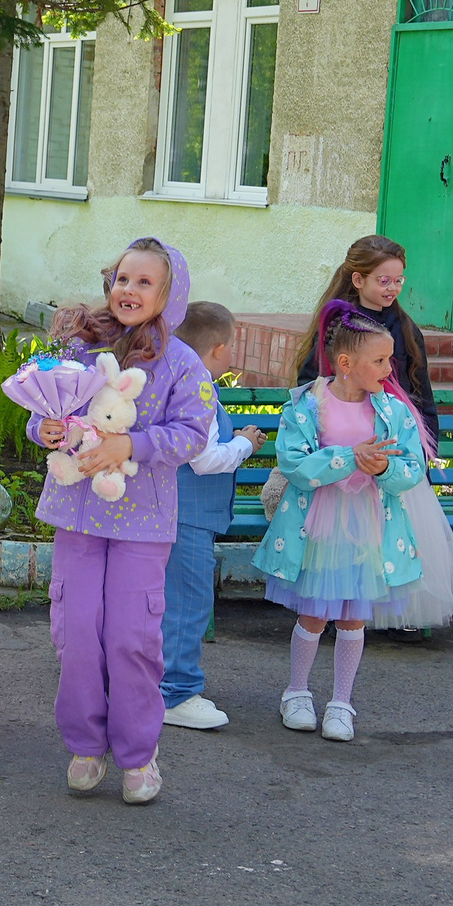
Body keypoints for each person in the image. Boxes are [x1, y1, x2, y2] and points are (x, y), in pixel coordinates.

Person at [24, 238, 211, 800]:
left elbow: (193, 434)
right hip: (77, 516)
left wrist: (132, 444)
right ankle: (85, 745)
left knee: (131, 638)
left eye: (144, 282)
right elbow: (43, 406)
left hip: (142, 525)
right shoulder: (81, 348)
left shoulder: (183, 362)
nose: (129, 290)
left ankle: (138, 755)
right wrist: (45, 429)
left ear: (169, 294)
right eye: (122, 279)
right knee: (77, 633)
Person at [251, 302, 427, 743]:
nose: (388, 370)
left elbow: (412, 468)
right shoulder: (307, 406)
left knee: (353, 618)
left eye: (389, 360)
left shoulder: (392, 411)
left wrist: (383, 468)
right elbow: (294, 464)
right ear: (346, 364)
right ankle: (296, 692)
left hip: (369, 527)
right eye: (380, 361)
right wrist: (351, 457)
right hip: (319, 526)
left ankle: (341, 702)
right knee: (314, 613)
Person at [292, 234, 453, 631]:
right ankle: (333, 609)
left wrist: (422, 453)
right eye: (384, 280)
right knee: (346, 537)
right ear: (358, 280)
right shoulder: (337, 326)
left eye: (399, 280)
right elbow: (312, 385)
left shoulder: (406, 328)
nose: (392, 288)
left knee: (394, 533)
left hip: (392, 450)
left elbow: (420, 390)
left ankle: (390, 617)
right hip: (344, 452)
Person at [163, 301, 255, 732]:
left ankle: (150, 682)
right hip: (191, 517)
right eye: (232, 345)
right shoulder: (198, 388)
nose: (232, 353)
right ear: (218, 349)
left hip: (171, 512)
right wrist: (245, 443)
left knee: (165, 602)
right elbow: (204, 459)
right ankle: (176, 692)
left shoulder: (173, 378)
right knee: (188, 603)